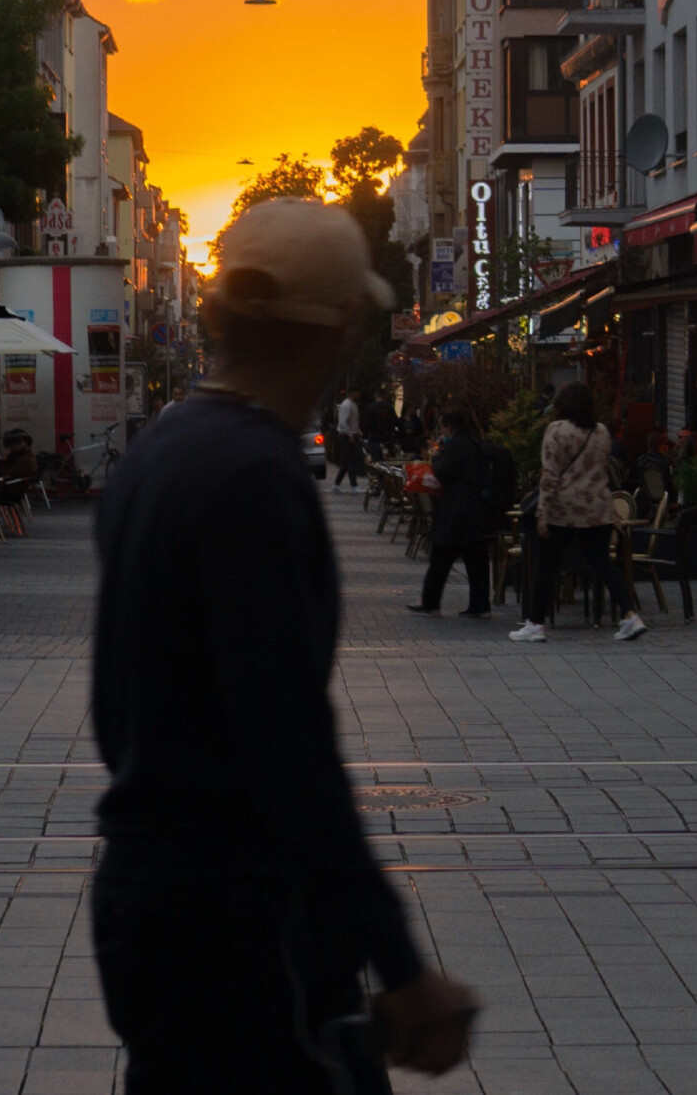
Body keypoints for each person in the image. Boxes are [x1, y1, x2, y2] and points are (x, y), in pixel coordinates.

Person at [91, 198, 479, 1093]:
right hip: (244, 921)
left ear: (216, 315)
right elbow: (287, 744)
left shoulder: (158, 453)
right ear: (342, 323)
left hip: (148, 896)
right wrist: (401, 964)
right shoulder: (258, 480)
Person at [510, 383, 647, 645]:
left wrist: (542, 512)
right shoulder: (601, 431)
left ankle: (536, 624)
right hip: (598, 509)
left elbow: (550, 474)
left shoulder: (556, 431)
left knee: (546, 567)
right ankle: (631, 616)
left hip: (563, 510)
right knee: (604, 564)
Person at [408, 408, 492, 619]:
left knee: (441, 557)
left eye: (442, 426)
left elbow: (444, 472)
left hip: (456, 510)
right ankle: (480, 605)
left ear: (449, 427)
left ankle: (431, 602)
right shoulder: (473, 443)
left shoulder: (457, 445)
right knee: (475, 560)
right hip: (472, 508)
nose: (441, 431)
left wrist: (436, 458)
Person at [333, 386, 364, 491]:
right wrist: (350, 434)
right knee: (350, 461)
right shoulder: (347, 405)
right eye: (357, 393)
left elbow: (353, 422)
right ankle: (353, 485)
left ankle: (337, 484)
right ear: (353, 393)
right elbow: (343, 422)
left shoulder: (353, 405)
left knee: (346, 462)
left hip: (350, 435)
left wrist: (358, 432)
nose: (359, 395)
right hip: (346, 437)